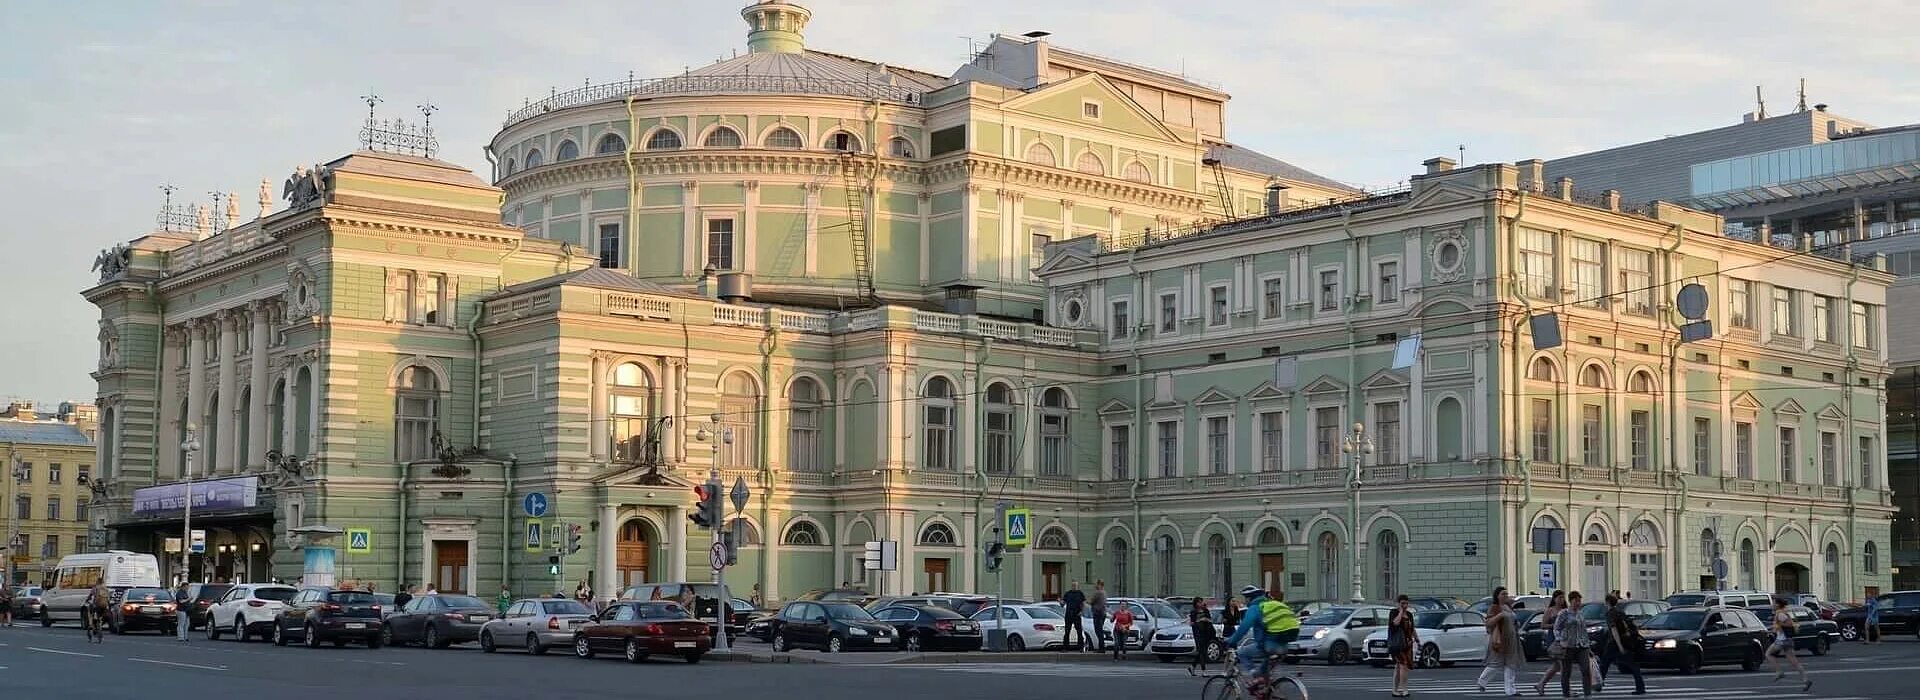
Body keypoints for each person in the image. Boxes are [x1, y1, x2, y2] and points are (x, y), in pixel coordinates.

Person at [1223, 585, 1300, 693]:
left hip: (1270, 644)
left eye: (1246, 598)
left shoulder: (1255, 608)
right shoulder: (1274, 604)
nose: (1245, 601)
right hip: (1285, 643)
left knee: (1242, 653)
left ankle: (1255, 677)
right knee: (1266, 666)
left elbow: (1244, 628)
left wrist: (1231, 640)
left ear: (1249, 598)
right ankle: (1265, 687)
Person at [1475, 587, 1523, 696]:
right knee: (1496, 663)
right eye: (1503, 594)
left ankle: (1510, 690)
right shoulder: (1495, 607)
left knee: (1511, 664)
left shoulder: (1508, 606)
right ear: (1497, 596)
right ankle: (1482, 681)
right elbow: (1488, 623)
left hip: (1512, 638)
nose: (1505, 596)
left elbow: (1513, 619)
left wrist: (1516, 624)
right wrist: (1500, 615)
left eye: (1506, 594)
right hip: (1500, 639)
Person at [1597, 594, 1646, 695]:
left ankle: (1599, 685)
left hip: (1614, 643)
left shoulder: (1610, 614)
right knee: (1633, 665)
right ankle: (1640, 687)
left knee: (1604, 664)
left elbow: (1614, 630)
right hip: (1626, 641)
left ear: (1607, 602)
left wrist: (1619, 646)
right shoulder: (1620, 612)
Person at [1555, 591, 1595, 698]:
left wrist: (1588, 645)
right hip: (1568, 646)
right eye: (1576, 601)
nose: (1578, 603)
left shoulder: (1580, 613)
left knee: (1586, 669)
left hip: (1582, 645)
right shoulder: (1564, 613)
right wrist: (1560, 641)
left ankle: (1588, 693)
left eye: (1579, 601)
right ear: (1570, 601)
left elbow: (1584, 630)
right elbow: (1557, 628)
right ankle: (1566, 694)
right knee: (1566, 671)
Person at [1768, 598, 1811, 692]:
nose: (1773, 605)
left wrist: (1780, 626)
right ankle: (1805, 679)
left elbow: (1789, 624)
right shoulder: (1782, 612)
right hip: (1788, 640)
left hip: (1782, 640)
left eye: (1774, 603)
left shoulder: (1780, 614)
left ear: (1778, 605)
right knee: (1794, 662)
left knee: (1768, 654)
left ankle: (1779, 672)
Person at [1533, 591, 1568, 695]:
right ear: (1554, 599)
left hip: (1564, 639)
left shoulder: (1565, 610)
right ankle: (1567, 689)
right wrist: (1555, 625)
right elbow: (1543, 625)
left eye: (1563, 598)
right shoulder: (1550, 610)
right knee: (1563, 665)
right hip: (1553, 639)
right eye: (1559, 598)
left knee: (1556, 666)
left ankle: (1541, 684)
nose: (1561, 600)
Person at [1388, 594, 1417, 698]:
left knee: (1398, 667)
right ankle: (1404, 689)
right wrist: (1400, 612)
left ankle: (1395, 690)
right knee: (1403, 665)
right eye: (1402, 603)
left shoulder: (1409, 615)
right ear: (1398, 604)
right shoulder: (1393, 612)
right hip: (1397, 644)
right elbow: (1395, 623)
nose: (1405, 605)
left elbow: (1412, 628)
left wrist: (1417, 639)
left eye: (1406, 603)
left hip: (1408, 644)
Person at [1190, 598, 1217, 671]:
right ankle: (1203, 670)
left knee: (1202, 651)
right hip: (1198, 633)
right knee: (1201, 651)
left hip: (1206, 633)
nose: (1200, 604)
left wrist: (1205, 619)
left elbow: (1210, 620)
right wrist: (1200, 620)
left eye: (1201, 602)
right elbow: (1192, 623)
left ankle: (1192, 666)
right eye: (1199, 602)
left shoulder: (1206, 611)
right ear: (1195, 604)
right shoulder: (1193, 612)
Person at [1060, 582, 1088, 651]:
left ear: (1077, 586)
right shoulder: (1068, 593)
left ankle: (1081, 647)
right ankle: (1066, 647)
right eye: (1073, 585)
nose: (1074, 586)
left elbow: (1084, 603)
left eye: (1075, 585)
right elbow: (1063, 604)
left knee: (1079, 631)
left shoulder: (1080, 594)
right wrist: (1060, 602)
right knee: (1067, 631)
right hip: (1069, 614)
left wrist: (1081, 611)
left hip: (1077, 614)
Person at [1089, 580, 1109, 652]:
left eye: (1097, 584)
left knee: (1098, 631)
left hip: (1097, 613)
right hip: (1103, 613)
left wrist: (1088, 602)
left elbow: (1091, 601)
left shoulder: (1097, 593)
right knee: (1100, 630)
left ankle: (1102, 648)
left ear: (1100, 585)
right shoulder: (1104, 592)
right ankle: (1102, 647)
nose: (1095, 586)